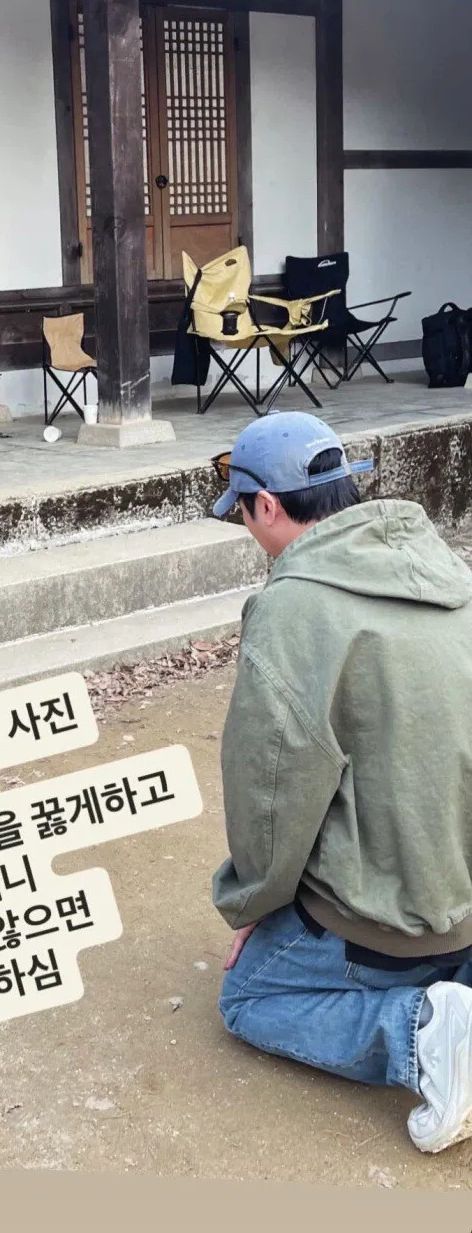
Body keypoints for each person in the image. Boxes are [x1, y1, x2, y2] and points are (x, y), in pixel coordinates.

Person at [210, 410, 472, 1154]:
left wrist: (253, 904)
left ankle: (422, 1032)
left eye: (243, 513)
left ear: (266, 505)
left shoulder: (292, 609)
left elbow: (271, 795)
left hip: (392, 927)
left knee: (247, 998)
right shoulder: (449, 573)